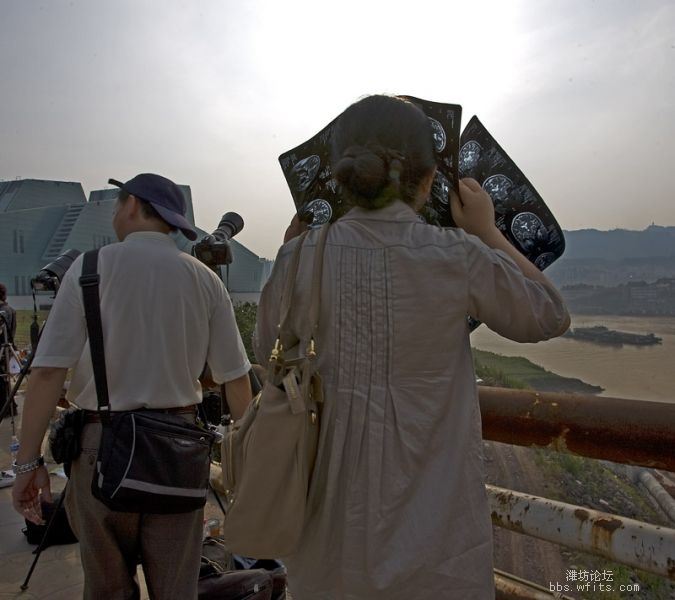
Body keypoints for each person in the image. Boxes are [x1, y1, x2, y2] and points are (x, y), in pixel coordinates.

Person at [254, 95, 570, 600]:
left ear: (340, 178)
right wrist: (486, 230)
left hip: (328, 538)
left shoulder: (299, 258)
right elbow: (549, 314)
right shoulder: (455, 254)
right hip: (437, 542)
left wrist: (290, 249)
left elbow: (265, 346)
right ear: (429, 181)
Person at [12, 173, 252, 600]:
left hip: (100, 448)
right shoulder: (205, 279)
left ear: (131, 205)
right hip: (178, 451)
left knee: (106, 589)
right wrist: (248, 463)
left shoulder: (89, 268)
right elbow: (235, 378)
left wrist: (29, 466)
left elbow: (47, 372)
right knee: (177, 589)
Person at [0, 282, 17, 420]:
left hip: (2, 348)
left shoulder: (4, 312)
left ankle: (7, 406)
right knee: (6, 378)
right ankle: (10, 406)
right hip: (8, 347)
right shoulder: (11, 309)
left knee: (3, 378)